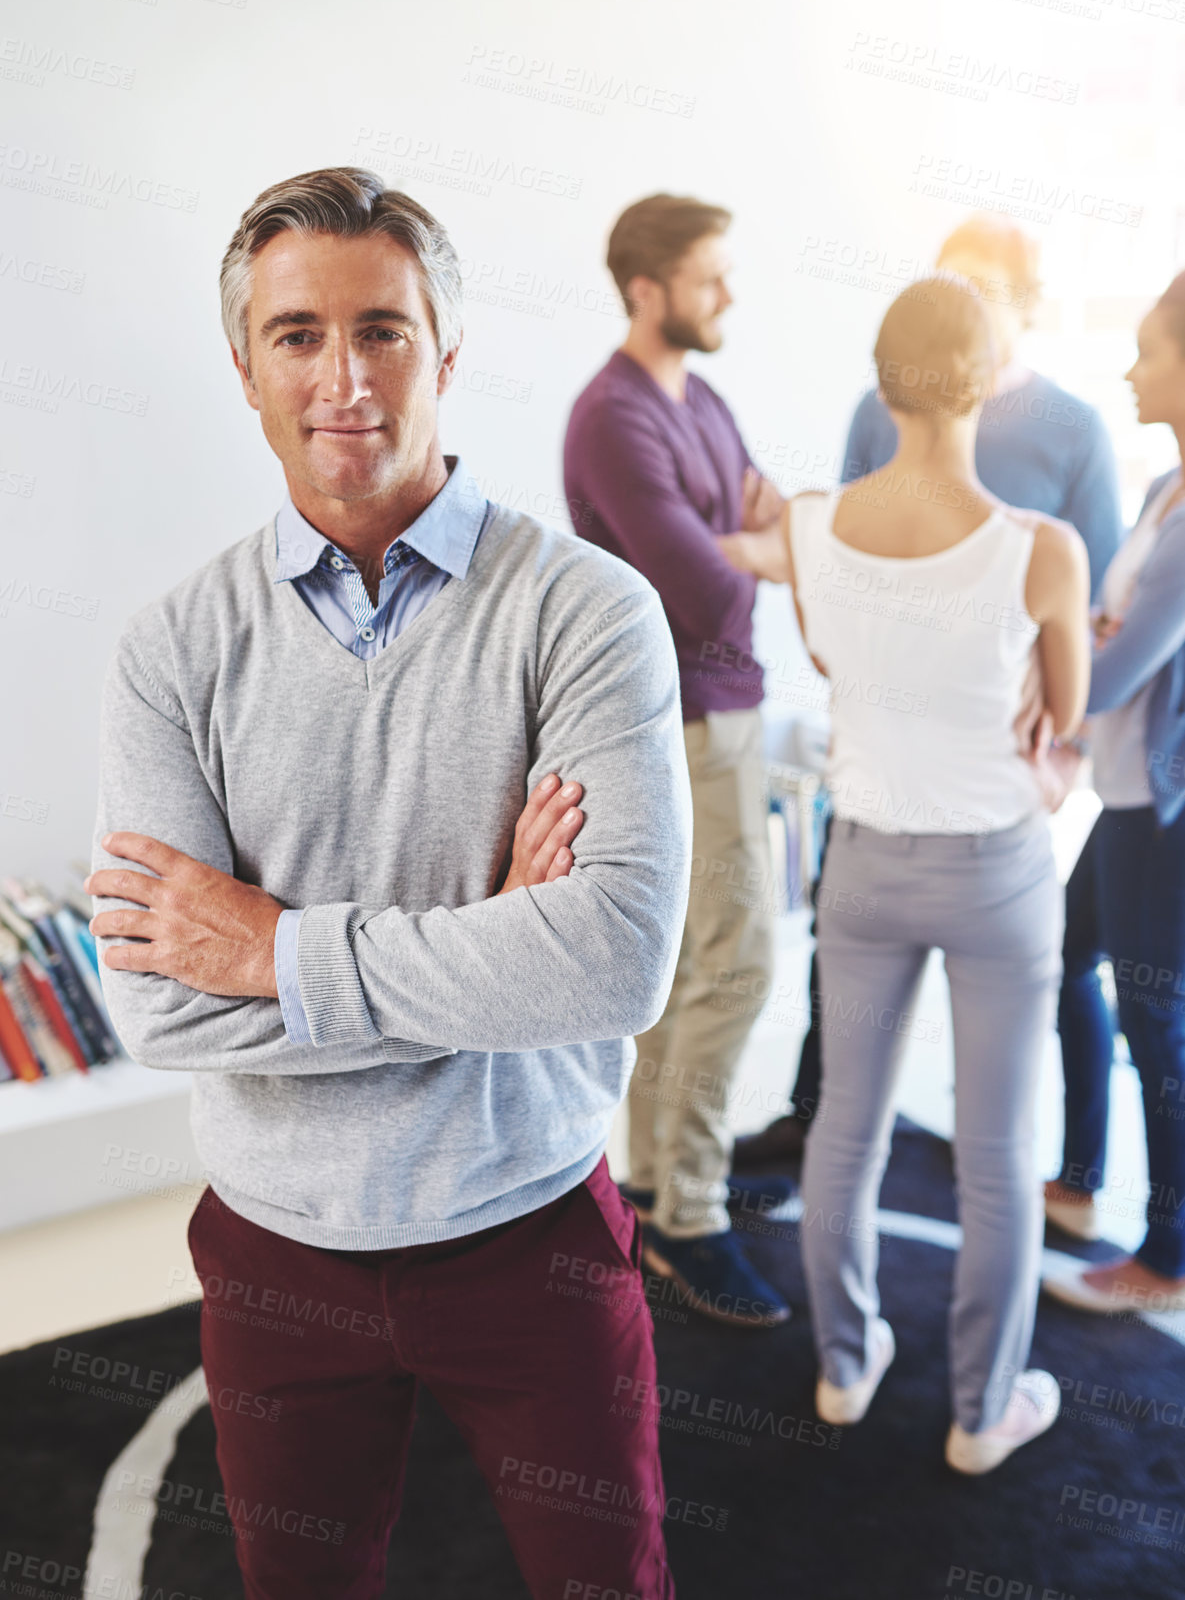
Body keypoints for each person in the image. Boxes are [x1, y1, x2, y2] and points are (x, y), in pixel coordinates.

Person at [86, 167, 693, 1600]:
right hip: (275, 1253)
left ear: (448, 351)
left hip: (531, 1231)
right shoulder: (171, 648)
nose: (343, 376)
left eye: (384, 329)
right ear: (246, 368)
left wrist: (273, 947)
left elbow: (613, 961)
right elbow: (159, 1011)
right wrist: (493, 943)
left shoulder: (587, 611)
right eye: (297, 335)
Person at [720, 275, 1090, 1472]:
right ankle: (984, 1416)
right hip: (996, 876)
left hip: (866, 869)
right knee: (995, 1159)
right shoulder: (1043, 551)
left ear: (882, 385)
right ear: (988, 383)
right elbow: (1064, 727)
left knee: (845, 1131)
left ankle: (843, 1370)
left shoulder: (813, 527)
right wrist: (1031, 748)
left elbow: (834, 660)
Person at [735, 215, 1122, 1170]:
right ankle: (817, 1107)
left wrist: (1061, 757)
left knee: (999, 1109)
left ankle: (1076, 1170)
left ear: (1018, 318)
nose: (954, 313)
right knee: (852, 1103)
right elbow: (843, 583)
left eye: (978, 293)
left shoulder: (1073, 433)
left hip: (995, 797)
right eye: (943, 286)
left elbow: (1095, 609)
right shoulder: (876, 415)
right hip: (876, 800)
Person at [563, 193, 793, 1328]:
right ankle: (686, 1213)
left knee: (699, 966)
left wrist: (739, 548)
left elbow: (759, 538)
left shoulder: (699, 399)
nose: (728, 295)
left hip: (726, 708)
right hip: (681, 720)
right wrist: (746, 551)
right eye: (710, 276)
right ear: (647, 288)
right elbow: (705, 586)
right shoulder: (612, 418)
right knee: (734, 963)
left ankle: (659, 1184)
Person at [1042, 272, 1185, 1312]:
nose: (1133, 370)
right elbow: (1106, 624)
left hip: (1162, 809)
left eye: (1150, 351)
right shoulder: (1159, 492)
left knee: (1155, 1016)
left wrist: (1054, 686)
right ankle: (1082, 1183)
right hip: (1125, 789)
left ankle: (1168, 1255)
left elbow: (1120, 661)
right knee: (1067, 957)